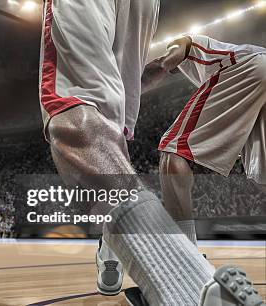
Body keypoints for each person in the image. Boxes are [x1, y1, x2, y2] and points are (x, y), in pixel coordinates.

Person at [39, 0, 263, 305]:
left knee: (77, 111)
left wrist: (169, 59)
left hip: (242, 65)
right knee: (110, 125)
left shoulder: (216, 54)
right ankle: (115, 243)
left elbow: (183, 47)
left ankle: (187, 282)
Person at [142, 34, 266, 245]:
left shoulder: (190, 43)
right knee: (262, 176)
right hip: (257, 76)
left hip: (250, 66)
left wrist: (156, 69)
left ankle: (185, 252)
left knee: (174, 148)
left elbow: (169, 57)